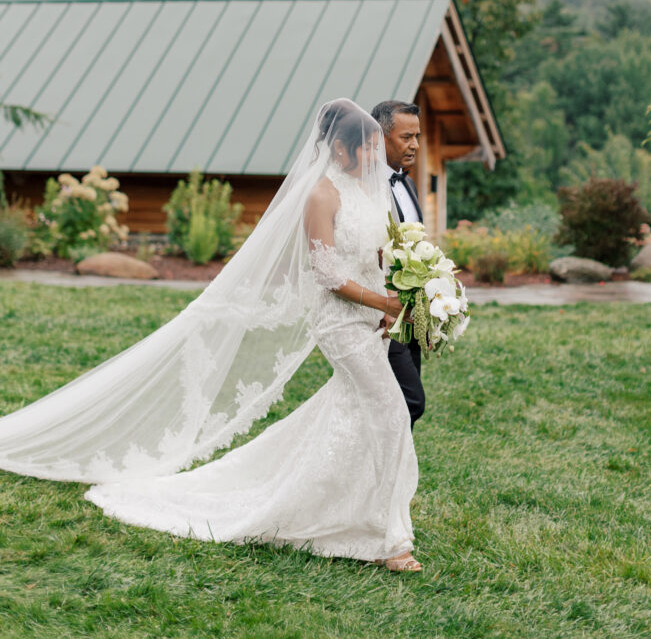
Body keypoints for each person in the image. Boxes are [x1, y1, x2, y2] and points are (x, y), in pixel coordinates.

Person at [0, 99, 421, 572]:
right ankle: (390, 539)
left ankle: (340, 508)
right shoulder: (321, 196)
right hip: (339, 320)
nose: (373, 153)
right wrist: (381, 302)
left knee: (358, 410)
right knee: (389, 411)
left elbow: (380, 256)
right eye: (365, 145)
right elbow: (326, 273)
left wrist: (397, 297)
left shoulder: (372, 194)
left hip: (372, 319)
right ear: (340, 148)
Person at [371, 100, 426, 431]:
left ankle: (392, 480)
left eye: (417, 136)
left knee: (404, 412)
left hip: (411, 313)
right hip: (380, 314)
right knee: (408, 402)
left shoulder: (408, 183)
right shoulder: (362, 188)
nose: (415, 145)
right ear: (380, 136)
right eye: (407, 137)